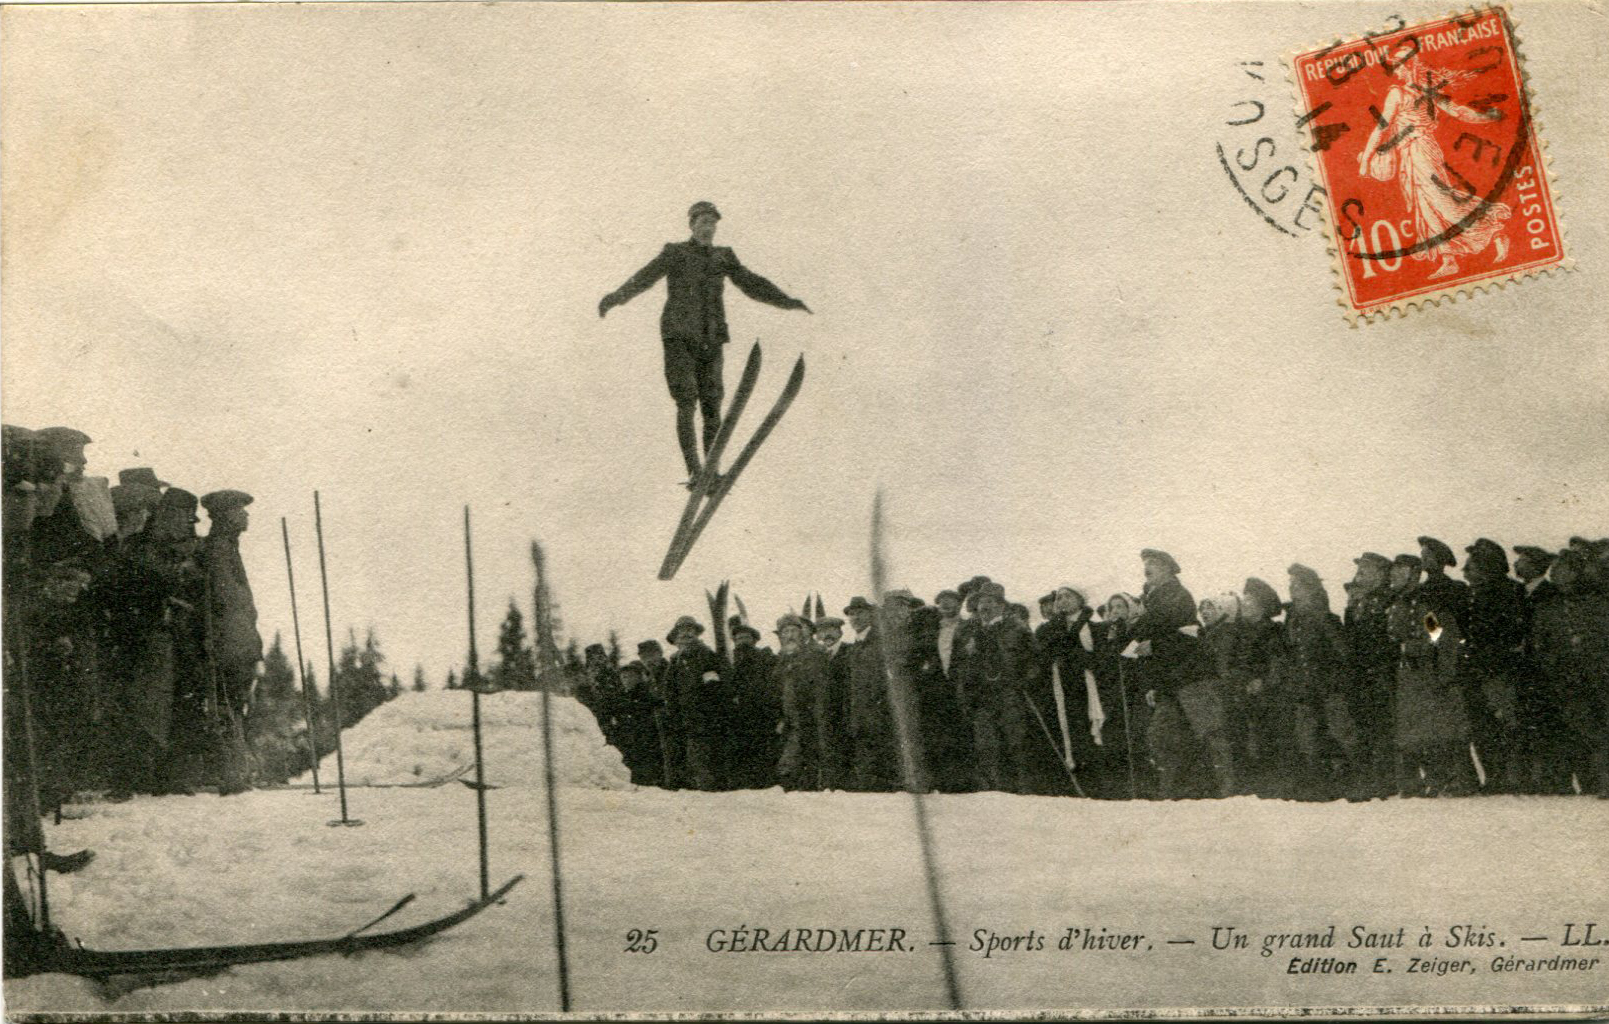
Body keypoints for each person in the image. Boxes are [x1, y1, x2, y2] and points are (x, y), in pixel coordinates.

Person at [598, 201, 812, 485]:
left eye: (712, 224)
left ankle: (711, 471)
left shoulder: (723, 257)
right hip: (679, 338)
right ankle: (694, 470)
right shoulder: (675, 252)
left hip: (711, 339)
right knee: (686, 401)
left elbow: (751, 282)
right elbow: (645, 277)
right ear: (692, 225)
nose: (708, 228)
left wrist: (786, 301)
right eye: (702, 223)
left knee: (712, 406)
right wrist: (616, 297)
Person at [1354, 44, 1510, 280]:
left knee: (1440, 201)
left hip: (1420, 152)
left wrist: (1366, 159)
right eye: (1396, 66)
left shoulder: (1402, 93)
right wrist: (1487, 116)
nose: (1398, 71)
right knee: (1427, 206)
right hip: (1413, 153)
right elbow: (1458, 112)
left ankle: (1494, 230)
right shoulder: (1423, 91)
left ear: (1409, 66)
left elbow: (1382, 128)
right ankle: (1449, 259)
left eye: (1400, 65)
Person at [1388, 554, 1476, 797]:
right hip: (1408, 678)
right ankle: (1429, 781)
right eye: (1393, 570)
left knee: (1439, 732)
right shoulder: (1397, 605)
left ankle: (1452, 781)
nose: (1394, 575)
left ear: (1415, 575)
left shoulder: (1426, 607)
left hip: (1427, 677)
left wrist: (1443, 676)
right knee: (1415, 732)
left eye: (1400, 571)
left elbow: (1440, 639)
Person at [201, 490, 262, 795]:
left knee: (234, 704)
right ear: (225, 516)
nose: (246, 516)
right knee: (228, 704)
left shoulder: (227, 548)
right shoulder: (218, 549)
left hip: (239, 641)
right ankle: (230, 773)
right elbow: (228, 598)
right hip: (230, 642)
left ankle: (235, 771)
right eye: (240, 511)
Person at [1131, 550, 1202, 799]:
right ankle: (1173, 790)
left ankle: (1174, 792)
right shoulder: (1150, 598)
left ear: (1168, 569)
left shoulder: (1178, 596)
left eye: (1153, 564)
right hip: (1160, 680)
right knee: (1166, 736)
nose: (1146, 568)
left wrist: (1155, 646)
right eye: (1145, 564)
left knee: (1164, 736)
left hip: (1180, 679)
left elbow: (1190, 636)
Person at [1283, 564, 1358, 800]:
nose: (1293, 591)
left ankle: (1358, 780)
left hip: (1328, 688)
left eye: (1298, 587)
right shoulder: (1293, 621)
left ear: (1312, 590)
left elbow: (1344, 653)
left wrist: (1333, 679)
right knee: (1308, 738)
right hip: (1305, 690)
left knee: (1342, 733)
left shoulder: (1325, 619)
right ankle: (1320, 784)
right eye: (1291, 586)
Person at [954, 582, 1034, 793]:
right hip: (980, 697)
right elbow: (958, 666)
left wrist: (1022, 682)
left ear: (1001, 605)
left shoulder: (1017, 628)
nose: (984, 606)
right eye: (981, 602)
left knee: (1015, 743)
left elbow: (1034, 662)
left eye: (990, 601)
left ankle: (1021, 792)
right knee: (986, 746)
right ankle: (993, 792)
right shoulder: (967, 631)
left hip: (1009, 695)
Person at [1461, 539, 1526, 792]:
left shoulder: (1511, 592)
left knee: (1507, 726)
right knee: (1481, 727)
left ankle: (1512, 778)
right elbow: (1444, 632)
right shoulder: (1467, 595)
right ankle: (1494, 777)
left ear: (1487, 567)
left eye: (1471, 566)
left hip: (1500, 671)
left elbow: (1514, 634)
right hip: (1474, 671)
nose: (1465, 572)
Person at [1345, 553, 1398, 799]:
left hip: (1385, 672)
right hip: (1362, 675)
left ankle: (1385, 781)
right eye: (1359, 572)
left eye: (1364, 572)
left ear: (1380, 574)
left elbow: (1436, 632)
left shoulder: (1392, 599)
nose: (1358, 577)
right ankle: (1370, 781)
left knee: (1384, 728)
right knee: (1365, 726)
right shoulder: (1358, 604)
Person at [665, 615, 727, 791]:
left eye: (690, 630)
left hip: (703, 718)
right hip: (682, 719)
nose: (686, 634)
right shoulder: (675, 661)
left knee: (701, 761)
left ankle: (708, 796)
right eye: (682, 631)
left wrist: (707, 714)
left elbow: (714, 689)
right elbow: (670, 691)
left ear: (696, 633)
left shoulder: (706, 656)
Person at [774, 614, 832, 791]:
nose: (790, 635)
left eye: (793, 631)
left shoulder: (814, 655)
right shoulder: (782, 659)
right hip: (790, 723)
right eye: (785, 632)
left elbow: (820, 691)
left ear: (802, 634)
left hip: (809, 722)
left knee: (801, 771)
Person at [638, 639, 683, 789]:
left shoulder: (671, 670)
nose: (648, 660)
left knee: (676, 755)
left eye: (651, 655)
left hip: (675, 720)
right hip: (659, 722)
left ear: (660, 654)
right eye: (644, 657)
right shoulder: (648, 676)